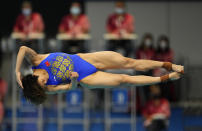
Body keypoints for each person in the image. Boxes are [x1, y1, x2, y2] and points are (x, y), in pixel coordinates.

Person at [15, 46, 184, 105]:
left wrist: (16, 71)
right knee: (124, 80)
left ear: (32, 77)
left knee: (129, 62)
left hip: (86, 58)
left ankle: (168, 65)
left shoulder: (37, 60)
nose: (45, 83)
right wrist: (73, 80)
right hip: (86, 79)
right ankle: (166, 78)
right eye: (44, 86)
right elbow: (69, 88)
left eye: (42, 82)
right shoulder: (49, 89)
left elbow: (22, 49)